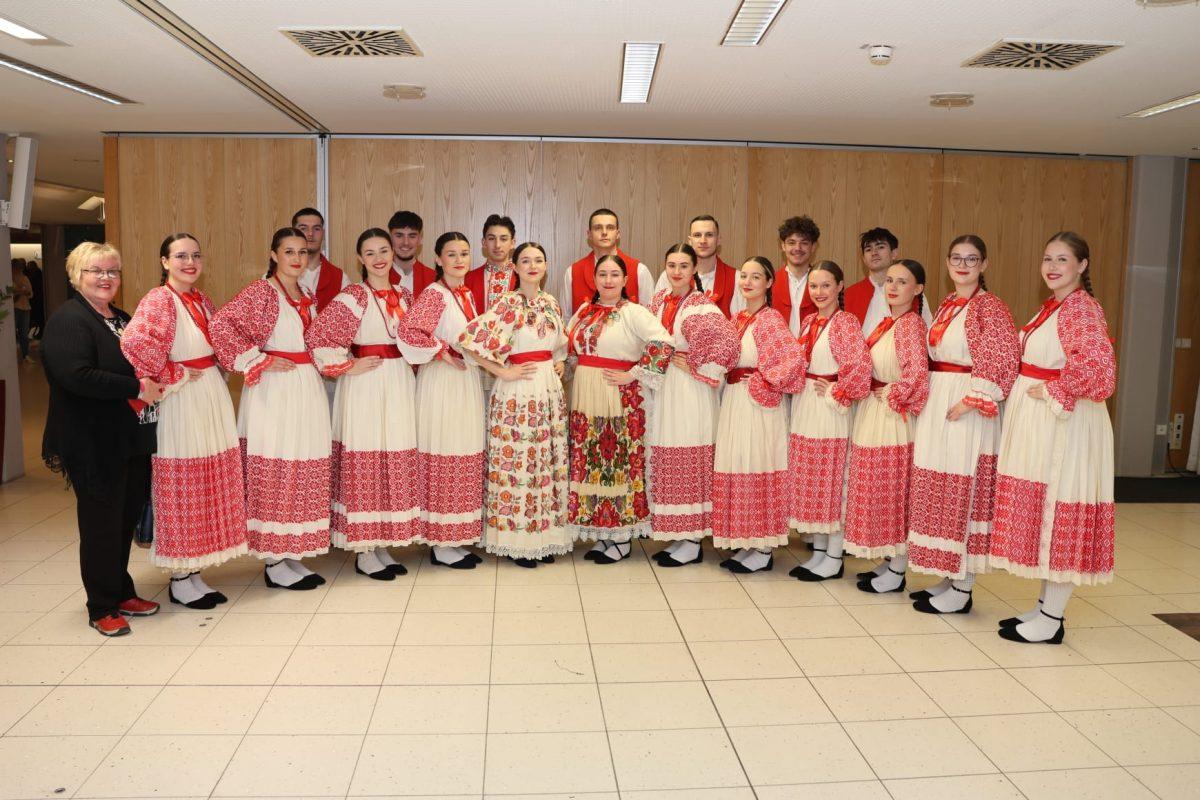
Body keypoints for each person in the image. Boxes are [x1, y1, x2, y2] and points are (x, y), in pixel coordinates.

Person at [989, 232, 1116, 644]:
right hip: (1045, 422)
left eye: (1062, 259)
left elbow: (1099, 372)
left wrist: (1054, 388)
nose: (1053, 266)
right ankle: (1045, 608)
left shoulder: (1081, 308)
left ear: (1082, 265)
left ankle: (1052, 619)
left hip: (1066, 425)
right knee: (1045, 510)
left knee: (1059, 510)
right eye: (1048, 258)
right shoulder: (1054, 306)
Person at [120, 233, 248, 608]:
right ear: (164, 262)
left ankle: (195, 571)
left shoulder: (201, 300)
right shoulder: (159, 299)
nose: (189, 262)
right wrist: (172, 372)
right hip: (181, 400)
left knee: (206, 480)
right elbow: (133, 343)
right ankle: (179, 576)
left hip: (208, 394)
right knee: (183, 481)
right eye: (180, 256)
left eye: (195, 255)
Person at [42, 242, 163, 636]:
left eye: (113, 270)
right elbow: (76, 375)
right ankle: (101, 606)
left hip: (127, 438)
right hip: (91, 441)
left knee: (123, 520)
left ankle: (122, 591)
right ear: (76, 275)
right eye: (96, 270)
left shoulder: (121, 318)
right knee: (100, 525)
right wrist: (136, 386)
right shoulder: (69, 320)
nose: (106, 278)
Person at [210, 227, 332, 589]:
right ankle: (273, 559)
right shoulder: (262, 291)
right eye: (289, 251)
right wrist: (258, 359)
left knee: (301, 464)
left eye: (303, 252)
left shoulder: (306, 293)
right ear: (274, 255)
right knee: (278, 466)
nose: (297, 258)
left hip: (306, 387)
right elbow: (221, 325)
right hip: (276, 390)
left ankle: (290, 550)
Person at [906, 236, 1019, 614]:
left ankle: (963, 588)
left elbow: (1003, 354)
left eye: (971, 259)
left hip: (967, 404)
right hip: (941, 398)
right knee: (939, 487)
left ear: (984, 264)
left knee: (962, 489)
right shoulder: (948, 304)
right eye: (956, 258)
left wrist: (974, 398)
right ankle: (947, 574)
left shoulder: (990, 306)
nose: (963, 265)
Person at [306, 228, 422, 580]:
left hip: (398, 381)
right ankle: (363, 549)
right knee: (367, 458)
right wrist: (347, 365)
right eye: (370, 253)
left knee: (391, 455)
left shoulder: (405, 295)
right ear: (360, 259)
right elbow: (318, 338)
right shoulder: (353, 296)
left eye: (383, 250)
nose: (378, 258)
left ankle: (382, 540)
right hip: (366, 384)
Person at [459, 241, 573, 565]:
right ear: (516, 267)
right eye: (525, 261)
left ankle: (545, 539)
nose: (532, 266)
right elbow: (470, 341)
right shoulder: (508, 302)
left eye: (538, 260)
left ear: (546, 266)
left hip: (547, 390)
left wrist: (559, 362)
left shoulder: (551, 303)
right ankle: (517, 541)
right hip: (517, 391)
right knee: (519, 465)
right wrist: (502, 371)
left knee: (545, 463)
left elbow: (559, 344)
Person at [565, 253, 673, 563]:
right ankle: (603, 531)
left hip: (617, 396)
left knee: (617, 462)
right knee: (592, 463)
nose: (608, 280)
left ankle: (622, 537)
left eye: (614, 274)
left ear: (625, 280)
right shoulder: (585, 312)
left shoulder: (633, 312)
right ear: (594, 279)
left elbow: (663, 342)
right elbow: (571, 349)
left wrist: (634, 373)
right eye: (602, 274)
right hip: (586, 396)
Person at [712, 257, 807, 573]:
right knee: (739, 461)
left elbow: (794, 359)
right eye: (744, 276)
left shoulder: (770, 319)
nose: (748, 282)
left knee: (758, 461)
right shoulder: (738, 318)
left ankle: (763, 547)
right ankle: (747, 540)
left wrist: (765, 380)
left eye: (756, 277)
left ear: (769, 283)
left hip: (757, 404)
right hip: (735, 399)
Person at [647, 243, 738, 567]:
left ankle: (693, 540)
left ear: (694, 270)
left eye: (683, 266)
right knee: (669, 454)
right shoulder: (659, 300)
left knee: (688, 452)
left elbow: (728, 344)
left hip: (690, 390)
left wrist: (698, 364)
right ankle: (679, 532)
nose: (676, 272)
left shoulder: (702, 305)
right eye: (671, 265)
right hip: (665, 388)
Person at [398, 232, 486, 569]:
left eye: (464, 253)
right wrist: (441, 352)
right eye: (451, 254)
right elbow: (408, 331)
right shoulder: (435, 293)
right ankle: (440, 541)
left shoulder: (465, 294)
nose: (459, 260)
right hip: (443, 383)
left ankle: (455, 534)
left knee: (463, 450)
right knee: (445, 449)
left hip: (464, 380)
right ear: (437, 259)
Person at [846, 260, 931, 593]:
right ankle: (888, 560)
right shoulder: (889, 323)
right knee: (878, 489)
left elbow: (917, 373)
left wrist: (894, 392)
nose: (893, 287)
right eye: (890, 281)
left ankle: (897, 570)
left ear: (918, 289)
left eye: (902, 282)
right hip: (876, 410)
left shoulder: (910, 324)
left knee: (893, 491)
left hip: (893, 416)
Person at [786, 261, 873, 581]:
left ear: (839, 287)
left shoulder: (845, 322)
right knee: (813, 482)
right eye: (813, 286)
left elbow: (860, 368)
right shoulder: (810, 321)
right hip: (807, 406)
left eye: (826, 285)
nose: (819, 292)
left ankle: (834, 557)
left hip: (829, 410)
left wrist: (837, 391)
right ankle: (819, 553)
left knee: (832, 482)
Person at [731, 215, 819, 336]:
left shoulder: (823, 285)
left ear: (813, 246)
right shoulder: (768, 282)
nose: (797, 248)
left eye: (804, 243)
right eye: (791, 243)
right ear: (783, 245)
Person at [561, 208, 654, 318]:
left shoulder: (639, 270)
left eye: (610, 227)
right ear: (589, 234)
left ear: (618, 234)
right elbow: (566, 320)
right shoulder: (572, 273)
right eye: (598, 228)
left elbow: (650, 317)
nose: (604, 232)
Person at [844, 228, 934, 333]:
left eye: (880, 247)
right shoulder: (849, 295)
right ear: (863, 258)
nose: (874, 253)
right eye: (868, 249)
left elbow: (928, 332)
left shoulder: (911, 293)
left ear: (894, 253)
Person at [652, 216, 738, 317]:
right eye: (697, 235)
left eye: (709, 235)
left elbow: (741, 323)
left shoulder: (736, 278)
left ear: (718, 239)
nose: (703, 240)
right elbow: (656, 318)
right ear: (690, 240)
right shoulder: (669, 276)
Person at [292, 207, 348, 313]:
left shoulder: (340, 279)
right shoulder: (275, 276)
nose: (310, 233)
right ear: (293, 233)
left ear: (323, 233)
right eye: (303, 228)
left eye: (316, 229)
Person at [465, 214, 518, 311]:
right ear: (484, 242)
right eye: (491, 239)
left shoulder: (523, 278)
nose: (497, 245)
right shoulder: (467, 279)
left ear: (512, 243)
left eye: (503, 239)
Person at [388, 210, 437, 296]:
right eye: (399, 236)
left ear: (420, 239)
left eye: (412, 236)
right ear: (390, 238)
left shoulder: (434, 278)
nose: (406, 242)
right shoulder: (376, 277)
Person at [12, 262, 33, 361]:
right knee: (12, 332)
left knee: (24, 333)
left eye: (20, 268)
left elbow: (31, 294)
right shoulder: (9, 278)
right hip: (15, 308)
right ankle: (11, 356)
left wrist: (26, 292)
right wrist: (19, 292)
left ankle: (25, 355)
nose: (19, 270)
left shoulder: (25, 278)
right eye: (17, 268)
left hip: (25, 308)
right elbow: (9, 294)